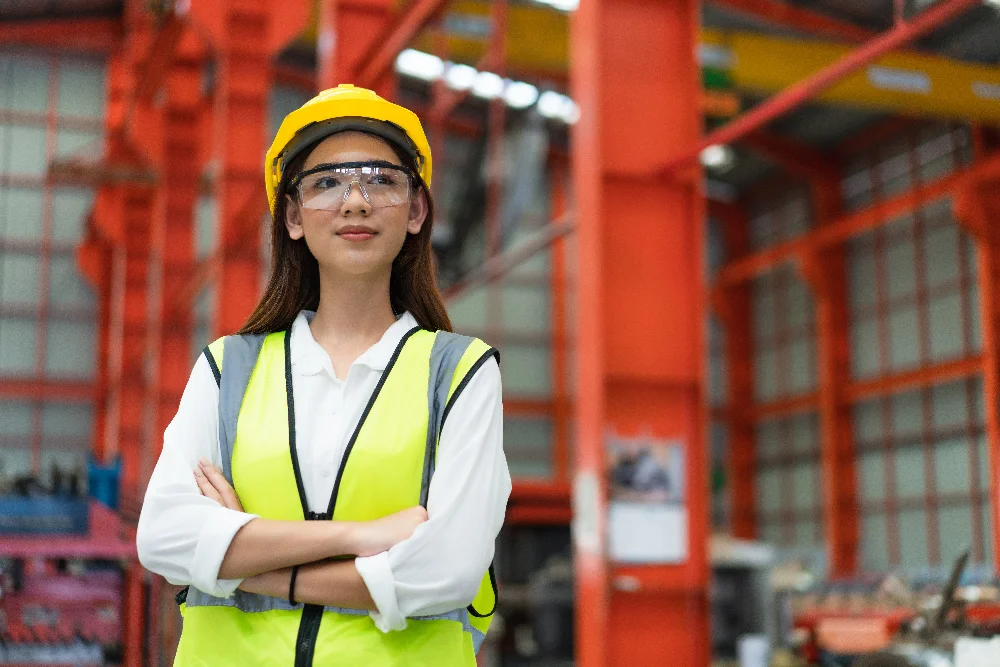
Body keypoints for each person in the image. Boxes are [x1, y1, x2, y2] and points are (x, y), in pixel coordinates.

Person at [136, 84, 511, 666]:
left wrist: (243, 556)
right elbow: (161, 538)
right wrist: (359, 537)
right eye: (327, 182)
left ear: (415, 211)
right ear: (292, 216)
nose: (355, 201)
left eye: (382, 180)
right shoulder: (226, 368)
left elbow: (448, 571)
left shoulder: (459, 372)